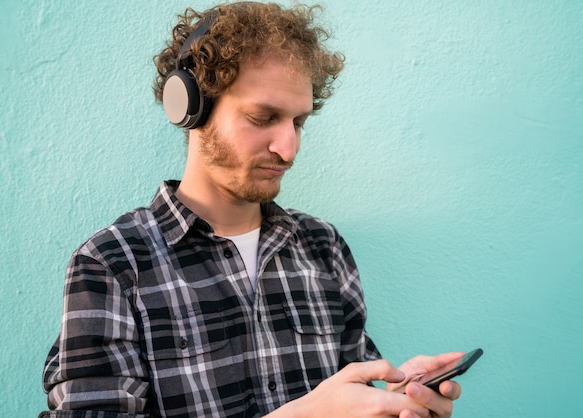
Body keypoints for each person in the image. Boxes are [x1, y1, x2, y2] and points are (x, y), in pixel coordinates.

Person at [39, 2, 463, 417]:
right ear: (189, 107)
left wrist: (393, 397)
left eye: (299, 122)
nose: (288, 148)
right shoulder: (111, 265)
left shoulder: (324, 247)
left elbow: (348, 394)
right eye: (263, 118)